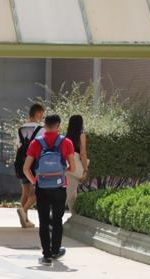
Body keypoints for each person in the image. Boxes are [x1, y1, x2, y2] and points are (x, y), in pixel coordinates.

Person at [23, 114, 75, 266]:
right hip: (59, 186)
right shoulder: (67, 142)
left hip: (42, 187)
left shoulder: (36, 143)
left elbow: (26, 168)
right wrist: (61, 172)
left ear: (44, 125)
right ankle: (56, 250)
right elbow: (73, 167)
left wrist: (35, 181)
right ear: (58, 125)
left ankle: (46, 255)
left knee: (43, 221)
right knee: (57, 220)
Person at [15, 103, 45, 228]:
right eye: (42, 115)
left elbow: (17, 147)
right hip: (34, 163)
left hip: (21, 163)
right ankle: (24, 210)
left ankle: (25, 220)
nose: (42, 117)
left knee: (25, 192)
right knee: (40, 191)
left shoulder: (20, 129)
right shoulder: (41, 129)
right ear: (37, 114)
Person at [65, 115, 89, 212]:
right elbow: (82, 153)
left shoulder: (66, 136)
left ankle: (73, 215)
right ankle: (54, 218)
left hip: (67, 166)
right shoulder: (81, 135)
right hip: (76, 167)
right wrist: (85, 170)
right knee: (70, 195)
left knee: (71, 193)